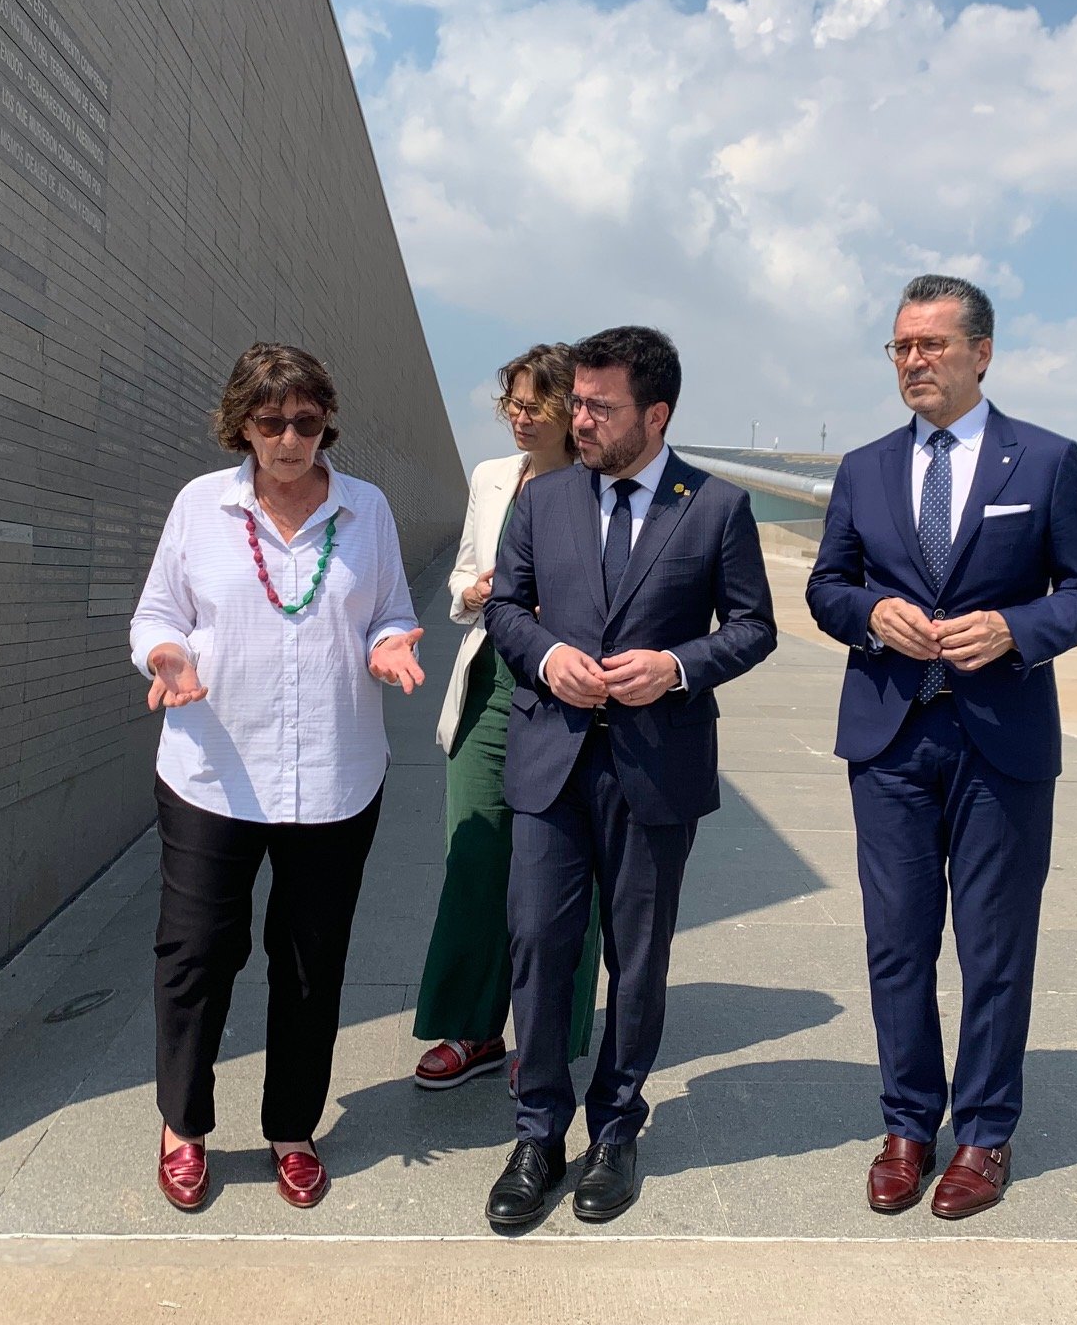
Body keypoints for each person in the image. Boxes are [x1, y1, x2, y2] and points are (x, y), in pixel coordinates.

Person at [806, 275, 1077, 1219]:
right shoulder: (862, 468)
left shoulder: (1047, 460)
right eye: (901, 347)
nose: (914, 362)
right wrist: (871, 614)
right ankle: (907, 1124)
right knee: (895, 943)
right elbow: (826, 586)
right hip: (891, 737)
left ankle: (982, 1135)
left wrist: (1020, 630)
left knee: (993, 946)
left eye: (932, 345)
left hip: (1001, 743)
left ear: (981, 352)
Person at [480, 325, 778, 1227]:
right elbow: (504, 606)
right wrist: (547, 657)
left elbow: (753, 627)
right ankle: (539, 1132)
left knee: (637, 958)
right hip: (553, 757)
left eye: (598, 407)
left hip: (656, 768)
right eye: (575, 402)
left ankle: (616, 1127)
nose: (579, 419)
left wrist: (678, 667)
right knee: (536, 943)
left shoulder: (717, 506)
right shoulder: (543, 498)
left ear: (657, 413)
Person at [129, 343, 427, 1214]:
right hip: (212, 773)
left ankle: (292, 1129)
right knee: (195, 956)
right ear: (243, 425)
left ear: (325, 420)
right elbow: (157, 611)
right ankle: (184, 1127)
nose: (291, 438)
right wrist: (169, 652)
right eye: (272, 422)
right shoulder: (201, 507)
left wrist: (388, 645)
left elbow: (393, 610)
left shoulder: (366, 511)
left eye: (306, 420)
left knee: (308, 962)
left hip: (334, 777)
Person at [413, 346, 602, 1092]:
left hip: (568, 688)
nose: (521, 417)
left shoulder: (598, 484)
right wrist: (480, 590)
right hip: (491, 678)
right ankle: (471, 1028)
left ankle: (547, 1036)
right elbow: (461, 581)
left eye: (536, 405)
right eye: (513, 405)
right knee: (475, 853)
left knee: (558, 868)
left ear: (571, 410)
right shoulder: (493, 478)